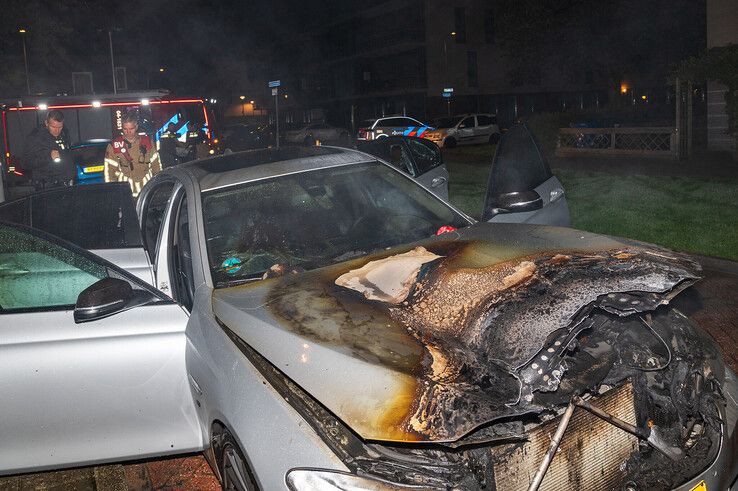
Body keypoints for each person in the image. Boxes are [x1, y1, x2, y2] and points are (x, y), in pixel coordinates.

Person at [104, 113, 161, 197]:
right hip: (125, 192)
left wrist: (159, 186)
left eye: (131, 129)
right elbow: (109, 171)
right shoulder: (114, 146)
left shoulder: (147, 142)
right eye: (125, 129)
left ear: (136, 127)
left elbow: (156, 166)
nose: (128, 132)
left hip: (147, 191)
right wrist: (112, 192)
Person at [22, 110, 74, 190]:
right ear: (46, 123)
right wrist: (48, 156)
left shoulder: (64, 134)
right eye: (53, 127)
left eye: (60, 127)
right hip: (47, 187)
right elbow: (25, 163)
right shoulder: (35, 138)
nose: (57, 130)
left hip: (65, 184)